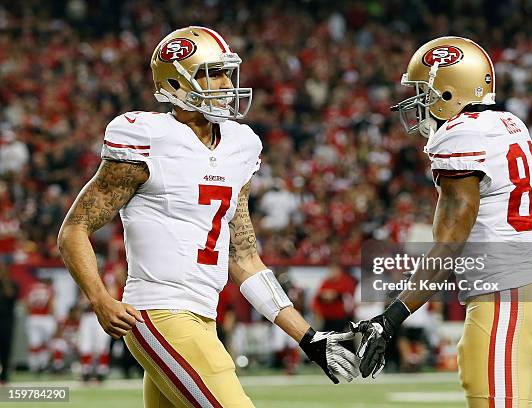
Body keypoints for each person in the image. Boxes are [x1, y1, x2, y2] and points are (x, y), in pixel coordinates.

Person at [58, 26, 358, 407]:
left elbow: (245, 258)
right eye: (211, 73)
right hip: (159, 310)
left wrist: (308, 337)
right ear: (176, 83)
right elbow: (74, 229)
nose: (224, 82)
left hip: (203, 315)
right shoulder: (148, 137)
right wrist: (100, 298)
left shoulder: (241, 144)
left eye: (225, 71)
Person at [354, 37, 532, 408]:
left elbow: (449, 244)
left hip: (502, 305)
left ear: (449, 92)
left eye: (425, 93)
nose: (419, 104)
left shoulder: (461, 135)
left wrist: (391, 317)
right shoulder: (510, 125)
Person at [0, 263, 18, 383]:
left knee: (5, 347)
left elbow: (9, 294)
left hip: (6, 320)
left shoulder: (13, 284)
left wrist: (5, 280)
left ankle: (4, 375)